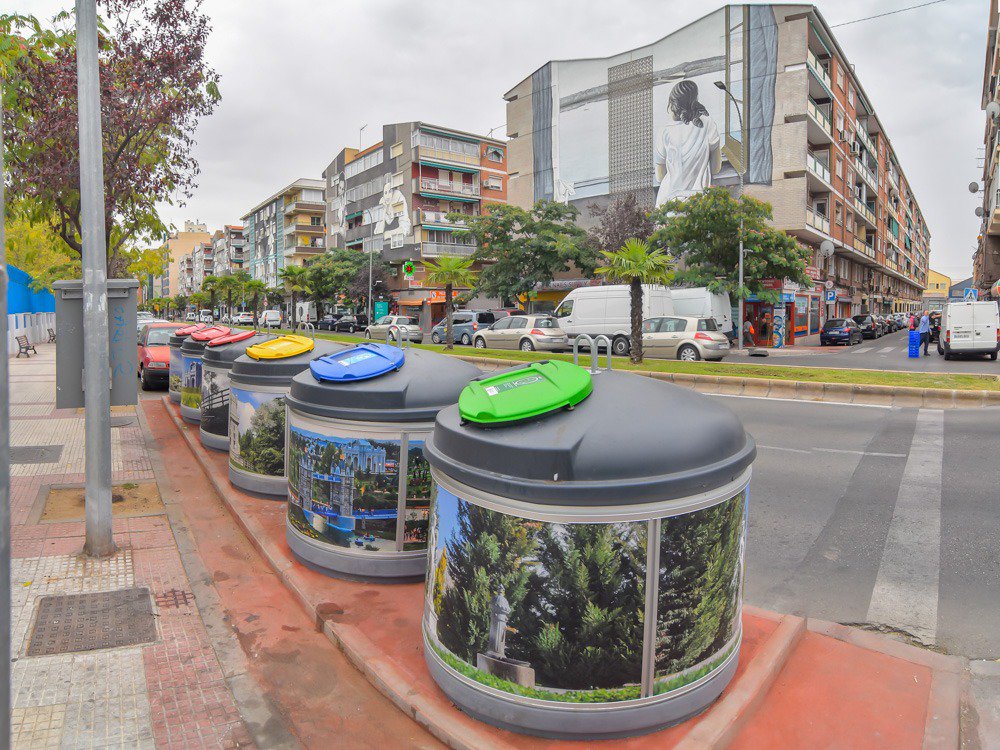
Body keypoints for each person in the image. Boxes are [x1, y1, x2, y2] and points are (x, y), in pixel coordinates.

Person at [654, 80, 722, 207]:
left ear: (672, 104)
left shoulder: (664, 131)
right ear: (695, 100)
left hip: (667, 202)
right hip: (697, 201)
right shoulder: (707, 123)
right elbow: (716, 168)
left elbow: (659, 176)